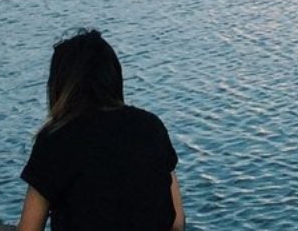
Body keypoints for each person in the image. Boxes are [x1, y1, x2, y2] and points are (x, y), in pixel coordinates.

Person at [16, 29, 183, 231]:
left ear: (60, 87)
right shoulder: (152, 128)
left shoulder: (54, 140)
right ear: (113, 77)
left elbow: (29, 229)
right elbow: (177, 223)